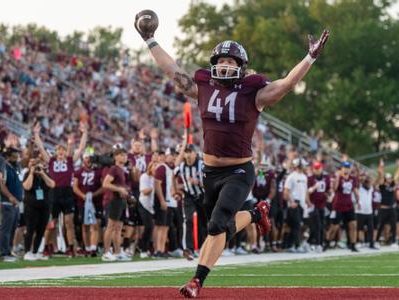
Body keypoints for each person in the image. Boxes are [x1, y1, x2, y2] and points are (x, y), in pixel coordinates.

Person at [134, 9, 329, 298]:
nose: (225, 66)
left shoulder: (254, 93)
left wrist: (309, 58)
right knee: (221, 227)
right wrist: (150, 40)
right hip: (209, 171)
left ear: (241, 66)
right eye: (221, 61)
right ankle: (254, 213)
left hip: (239, 171)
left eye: (230, 61)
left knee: (216, 225)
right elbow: (171, 69)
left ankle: (196, 281)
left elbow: (287, 83)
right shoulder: (202, 86)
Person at [34, 122, 88, 257]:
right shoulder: (51, 161)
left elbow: (81, 148)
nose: (61, 152)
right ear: (56, 152)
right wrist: (36, 134)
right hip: (54, 192)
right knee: (52, 222)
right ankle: (46, 247)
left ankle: (70, 248)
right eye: (59, 150)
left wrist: (85, 133)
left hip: (67, 193)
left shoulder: (70, 161)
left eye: (63, 150)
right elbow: (41, 148)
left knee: (68, 222)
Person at [101, 145, 132, 262]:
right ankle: (106, 252)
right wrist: (119, 189)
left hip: (121, 200)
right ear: (115, 156)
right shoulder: (114, 168)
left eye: (125, 155)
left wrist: (125, 190)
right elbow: (105, 184)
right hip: (113, 200)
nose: (124, 157)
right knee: (110, 227)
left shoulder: (122, 170)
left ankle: (118, 252)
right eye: (121, 155)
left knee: (118, 227)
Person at [22, 158, 55, 261]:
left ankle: (35, 252)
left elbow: (52, 184)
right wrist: (32, 173)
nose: (37, 168)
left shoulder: (45, 175)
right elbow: (27, 187)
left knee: (40, 230)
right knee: (30, 229)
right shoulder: (27, 174)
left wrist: (43, 174)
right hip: (31, 206)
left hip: (44, 207)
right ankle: (27, 252)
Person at [326, 161, 360, 252]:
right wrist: (338, 176)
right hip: (338, 205)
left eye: (348, 168)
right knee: (334, 227)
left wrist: (358, 200)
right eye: (345, 168)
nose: (347, 169)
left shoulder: (353, 178)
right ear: (341, 169)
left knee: (353, 225)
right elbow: (334, 188)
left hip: (349, 205)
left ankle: (353, 244)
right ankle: (327, 242)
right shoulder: (338, 178)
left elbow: (355, 190)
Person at [0, 147, 23, 262]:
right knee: (6, 229)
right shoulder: (4, 168)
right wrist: (10, 197)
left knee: (13, 228)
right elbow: (2, 185)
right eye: (14, 157)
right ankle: (4, 253)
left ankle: (9, 251)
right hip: (8, 202)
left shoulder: (15, 167)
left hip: (16, 203)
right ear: (8, 157)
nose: (16, 159)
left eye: (17, 157)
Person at [375, 158, 399, 248]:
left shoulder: (392, 184)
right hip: (383, 208)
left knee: (393, 225)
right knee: (380, 225)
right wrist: (381, 167)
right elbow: (380, 176)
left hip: (391, 208)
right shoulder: (382, 186)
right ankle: (376, 241)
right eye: (388, 178)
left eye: (390, 178)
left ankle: (394, 241)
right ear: (385, 179)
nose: (390, 179)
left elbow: (397, 176)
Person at [283, 158, 310, 253]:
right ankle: (297, 245)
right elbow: (286, 191)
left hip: (302, 204)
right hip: (294, 204)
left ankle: (290, 245)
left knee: (295, 226)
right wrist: (291, 202)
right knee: (296, 225)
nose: (305, 166)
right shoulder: (291, 176)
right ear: (299, 165)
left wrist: (308, 202)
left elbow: (305, 191)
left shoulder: (304, 176)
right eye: (304, 165)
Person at [307, 161, 331, 252]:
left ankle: (313, 242)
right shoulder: (310, 178)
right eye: (315, 169)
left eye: (318, 168)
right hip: (313, 204)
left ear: (321, 168)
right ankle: (318, 244)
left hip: (322, 204)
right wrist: (313, 188)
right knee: (317, 225)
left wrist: (329, 196)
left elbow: (328, 190)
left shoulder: (326, 177)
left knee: (321, 225)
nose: (317, 170)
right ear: (313, 169)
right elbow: (307, 191)